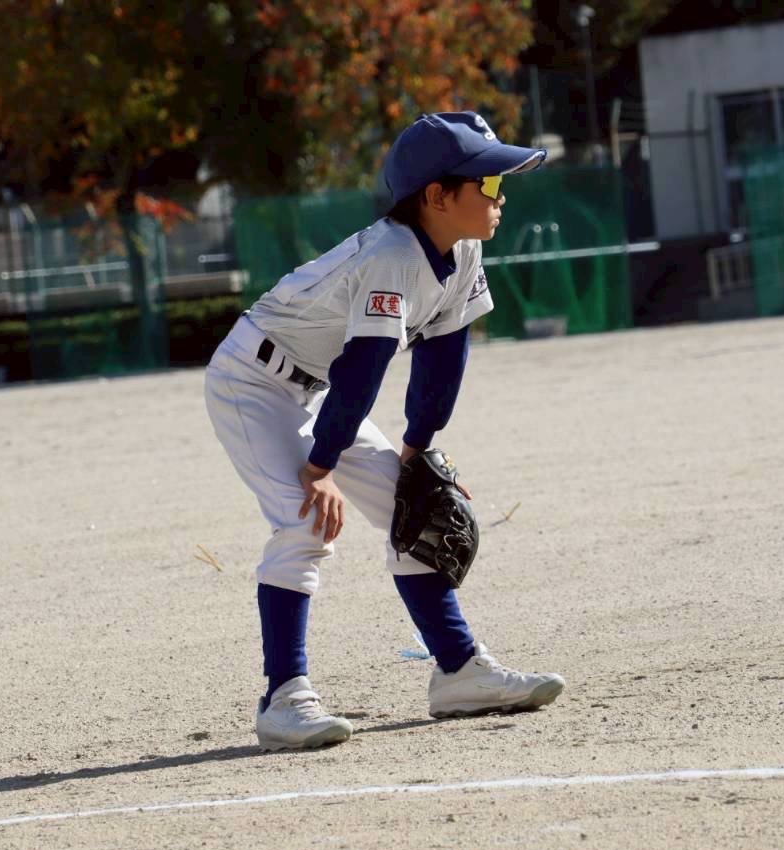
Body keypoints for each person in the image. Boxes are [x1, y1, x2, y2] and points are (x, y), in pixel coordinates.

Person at [203, 111, 566, 751]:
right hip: (251, 381)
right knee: (305, 521)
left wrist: (417, 449)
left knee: (417, 508)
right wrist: (320, 468)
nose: (500, 194)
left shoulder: (462, 248)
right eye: (487, 182)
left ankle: (458, 670)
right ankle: (282, 699)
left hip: (317, 388)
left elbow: (443, 357)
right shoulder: (393, 256)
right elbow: (363, 368)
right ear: (437, 196)